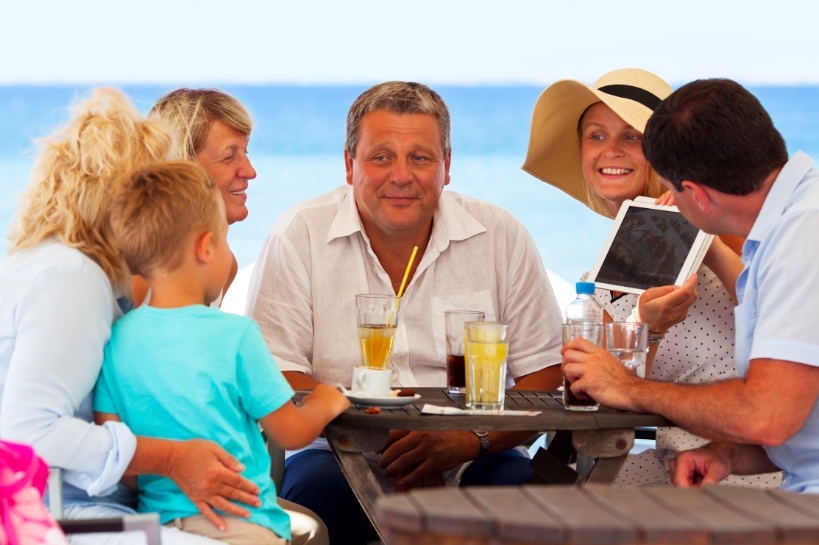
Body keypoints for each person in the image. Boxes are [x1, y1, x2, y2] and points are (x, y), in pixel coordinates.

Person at [246, 81, 564, 544]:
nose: (401, 175)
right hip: (337, 451)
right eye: (381, 157)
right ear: (349, 163)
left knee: (535, 504)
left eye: (420, 157)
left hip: (475, 449)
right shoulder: (300, 234)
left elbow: (544, 371)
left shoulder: (500, 235)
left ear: (447, 166)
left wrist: (465, 439)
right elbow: (278, 373)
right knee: (320, 497)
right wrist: (396, 435)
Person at [0, 89, 260, 545]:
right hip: (60, 512)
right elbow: (28, 431)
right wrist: (172, 459)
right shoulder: (72, 278)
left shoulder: (55, 264)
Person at [521, 68, 780, 488]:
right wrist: (647, 325)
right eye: (596, 135)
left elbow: (780, 308)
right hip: (669, 460)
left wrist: (704, 232)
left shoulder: (729, 223)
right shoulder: (600, 279)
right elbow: (602, 392)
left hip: (745, 458)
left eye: (632, 137)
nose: (611, 151)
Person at [94, 161, 349, 545]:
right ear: (205, 247)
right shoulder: (236, 335)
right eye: (226, 239)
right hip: (244, 525)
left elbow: (120, 460)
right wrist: (327, 401)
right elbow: (290, 432)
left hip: (158, 530)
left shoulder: (114, 342)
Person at [131, 88, 258, 307]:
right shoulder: (138, 269)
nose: (250, 171)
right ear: (182, 168)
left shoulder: (222, 266)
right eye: (229, 156)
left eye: (245, 153)